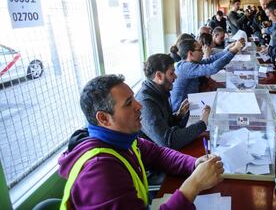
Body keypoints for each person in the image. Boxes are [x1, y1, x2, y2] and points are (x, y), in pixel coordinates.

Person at [58, 74, 224, 209]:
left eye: (134, 99)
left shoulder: (120, 139)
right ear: (103, 118)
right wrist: (193, 185)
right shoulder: (100, 170)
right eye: (129, 103)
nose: (139, 106)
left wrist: (194, 163)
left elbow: (157, 153)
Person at [136, 54, 210, 150]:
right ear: (159, 76)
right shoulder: (146, 103)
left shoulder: (159, 91)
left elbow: (166, 124)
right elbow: (168, 142)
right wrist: (203, 122)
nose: (175, 77)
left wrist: (178, 115)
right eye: (171, 73)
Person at [171, 38, 244, 112]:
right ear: (190, 53)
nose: (203, 52)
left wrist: (230, 50)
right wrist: (234, 50)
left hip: (192, 103)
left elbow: (211, 60)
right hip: (182, 111)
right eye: (200, 49)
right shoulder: (185, 67)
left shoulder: (189, 63)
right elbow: (213, 68)